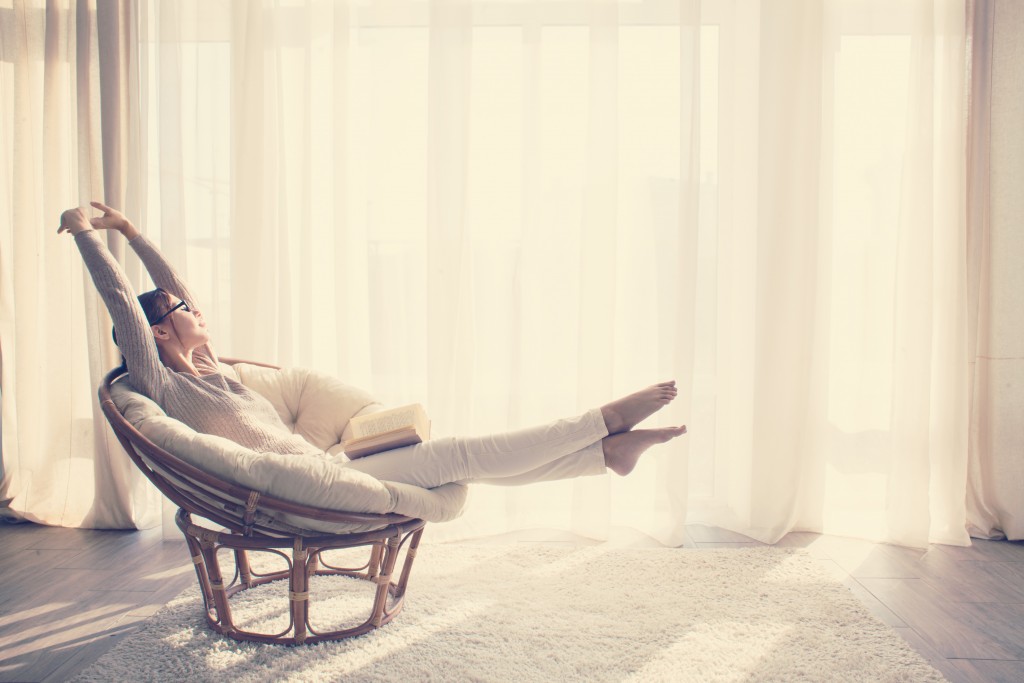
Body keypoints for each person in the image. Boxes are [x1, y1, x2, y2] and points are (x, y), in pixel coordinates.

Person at [59, 202, 687, 490]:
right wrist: (87, 236)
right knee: (459, 455)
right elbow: (127, 307)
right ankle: (602, 424)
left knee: (463, 464)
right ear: (157, 334)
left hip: (329, 466)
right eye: (181, 312)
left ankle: (605, 456)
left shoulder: (215, 370)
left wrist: (133, 232)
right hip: (303, 484)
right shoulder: (163, 383)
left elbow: (168, 291)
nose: (196, 310)